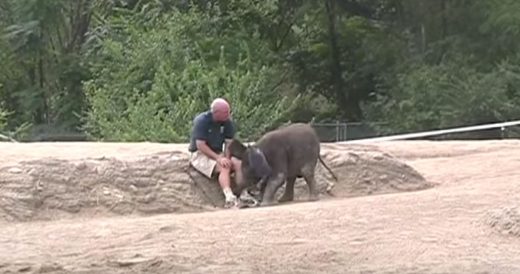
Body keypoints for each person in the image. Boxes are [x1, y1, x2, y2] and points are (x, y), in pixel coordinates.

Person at [188, 98, 253, 208]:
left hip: (218, 152)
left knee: (237, 163)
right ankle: (229, 197)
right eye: (225, 113)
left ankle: (243, 194)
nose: (228, 115)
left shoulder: (227, 123)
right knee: (224, 166)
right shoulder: (202, 121)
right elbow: (200, 145)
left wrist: (227, 157)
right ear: (216, 112)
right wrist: (218, 158)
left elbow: (229, 143)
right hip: (200, 153)